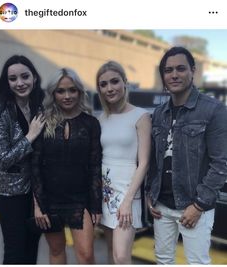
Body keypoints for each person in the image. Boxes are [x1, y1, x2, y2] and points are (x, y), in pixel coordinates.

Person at [146, 46, 227, 264]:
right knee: (163, 260)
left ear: (193, 71)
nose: (174, 75)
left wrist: (199, 205)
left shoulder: (214, 110)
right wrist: (150, 193)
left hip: (194, 206)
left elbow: (222, 164)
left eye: (180, 69)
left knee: (197, 262)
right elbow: (155, 158)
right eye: (168, 70)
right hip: (161, 205)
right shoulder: (159, 113)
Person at [31, 68, 102, 264]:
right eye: (61, 91)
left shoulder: (91, 123)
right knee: (56, 251)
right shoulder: (42, 122)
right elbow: (35, 165)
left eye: (72, 90)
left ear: (80, 91)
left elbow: (95, 166)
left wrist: (96, 205)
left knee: (86, 255)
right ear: (53, 94)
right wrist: (38, 205)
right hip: (49, 200)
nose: (67, 95)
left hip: (80, 201)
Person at [96, 60, 151, 264]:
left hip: (128, 192)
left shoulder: (141, 116)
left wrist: (128, 200)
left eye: (114, 81)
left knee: (121, 256)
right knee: (112, 252)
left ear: (125, 82)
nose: (109, 88)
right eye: (103, 84)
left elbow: (143, 163)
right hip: (106, 191)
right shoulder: (102, 119)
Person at [0, 55, 45, 264]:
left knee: (32, 248)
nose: (20, 83)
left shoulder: (39, 106)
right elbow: (1, 161)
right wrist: (29, 136)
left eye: (25, 76)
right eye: (13, 78)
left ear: (34, 78)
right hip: (11, 194)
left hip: (37, 192)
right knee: (15, 252)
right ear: (7, 82)